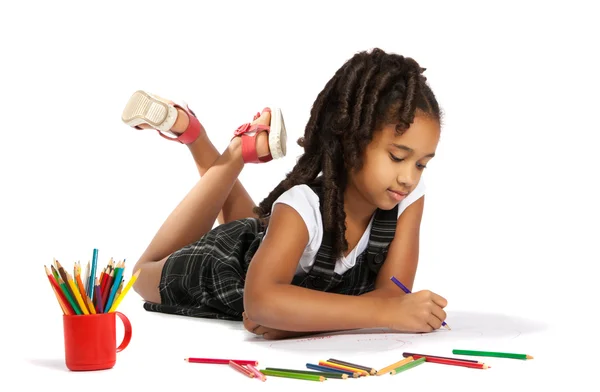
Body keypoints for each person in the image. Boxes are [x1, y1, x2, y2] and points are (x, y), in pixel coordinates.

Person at [122, 48, 448, 340]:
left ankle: (210, 137)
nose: (408, 178)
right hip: (227, 267)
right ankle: (219, 146)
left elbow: (393, 292)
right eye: (396, 157)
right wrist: (384, 315)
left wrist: (300, 321)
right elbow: (262, 300)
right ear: (351, 141)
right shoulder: (300, 207)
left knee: (259, 233)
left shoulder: (408, 197)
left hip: (270, 247)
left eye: (421, 164)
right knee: (142, 276)